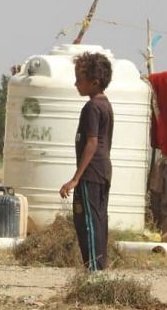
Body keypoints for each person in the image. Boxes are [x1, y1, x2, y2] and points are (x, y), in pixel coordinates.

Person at [59, 52, 114, 271]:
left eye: (79, 80)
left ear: (94, 82)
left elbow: (92, 143)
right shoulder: (105, 104)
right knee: (99, 220)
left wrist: (75, 179)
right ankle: (99, 268)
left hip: (91, 174)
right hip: (102, 171)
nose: (75, 84)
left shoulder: (92, 107)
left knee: (88, 223)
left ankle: (93, 269)